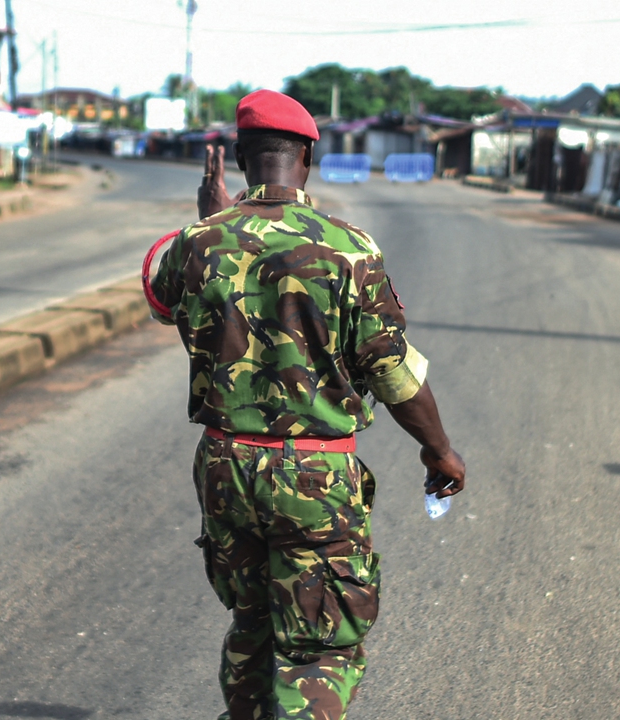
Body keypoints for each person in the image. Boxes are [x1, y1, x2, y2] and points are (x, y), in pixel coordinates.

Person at [147, 89, 466, 720]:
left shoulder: (198, 242)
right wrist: (440, 451)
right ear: (309, 157)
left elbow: (160, 299)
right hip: (313, 478)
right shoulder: (350, 248)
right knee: (320, 645)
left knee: (254, 617)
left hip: (226, 468)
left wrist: (212, 219)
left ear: (240, 160)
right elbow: (390, 370)